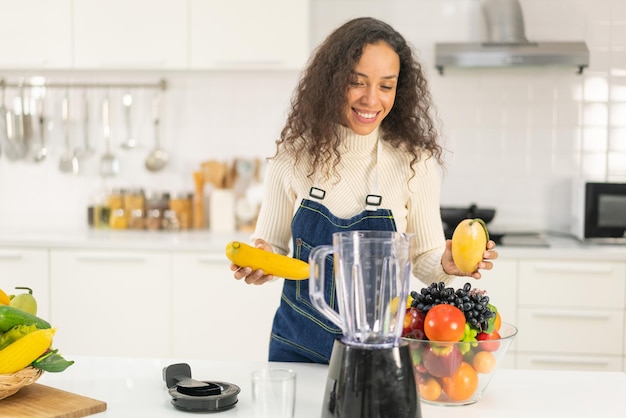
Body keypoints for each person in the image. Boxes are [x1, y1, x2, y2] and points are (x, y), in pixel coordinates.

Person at [230, 17, 498, 363]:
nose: (371, 100)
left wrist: (448, 262)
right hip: (297, 350)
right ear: (331, 82)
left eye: (386, 86)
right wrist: (258, 261)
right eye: (357, 83)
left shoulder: (415, 162)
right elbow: (273, 248)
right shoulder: (292, 157)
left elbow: (427, 261)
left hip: (378, 355)